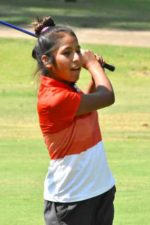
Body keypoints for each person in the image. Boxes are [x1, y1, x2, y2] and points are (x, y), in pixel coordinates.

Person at [31, 16, 116, 225]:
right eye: (67, 53)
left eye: (77, 51)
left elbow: (89, 107)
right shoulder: (54, 97)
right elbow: (107, 98)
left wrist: (97, 74)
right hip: (71, 200)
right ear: (47, 61)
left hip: (100, 189)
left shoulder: (67, 86)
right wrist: (93, 65)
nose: (76, 58)